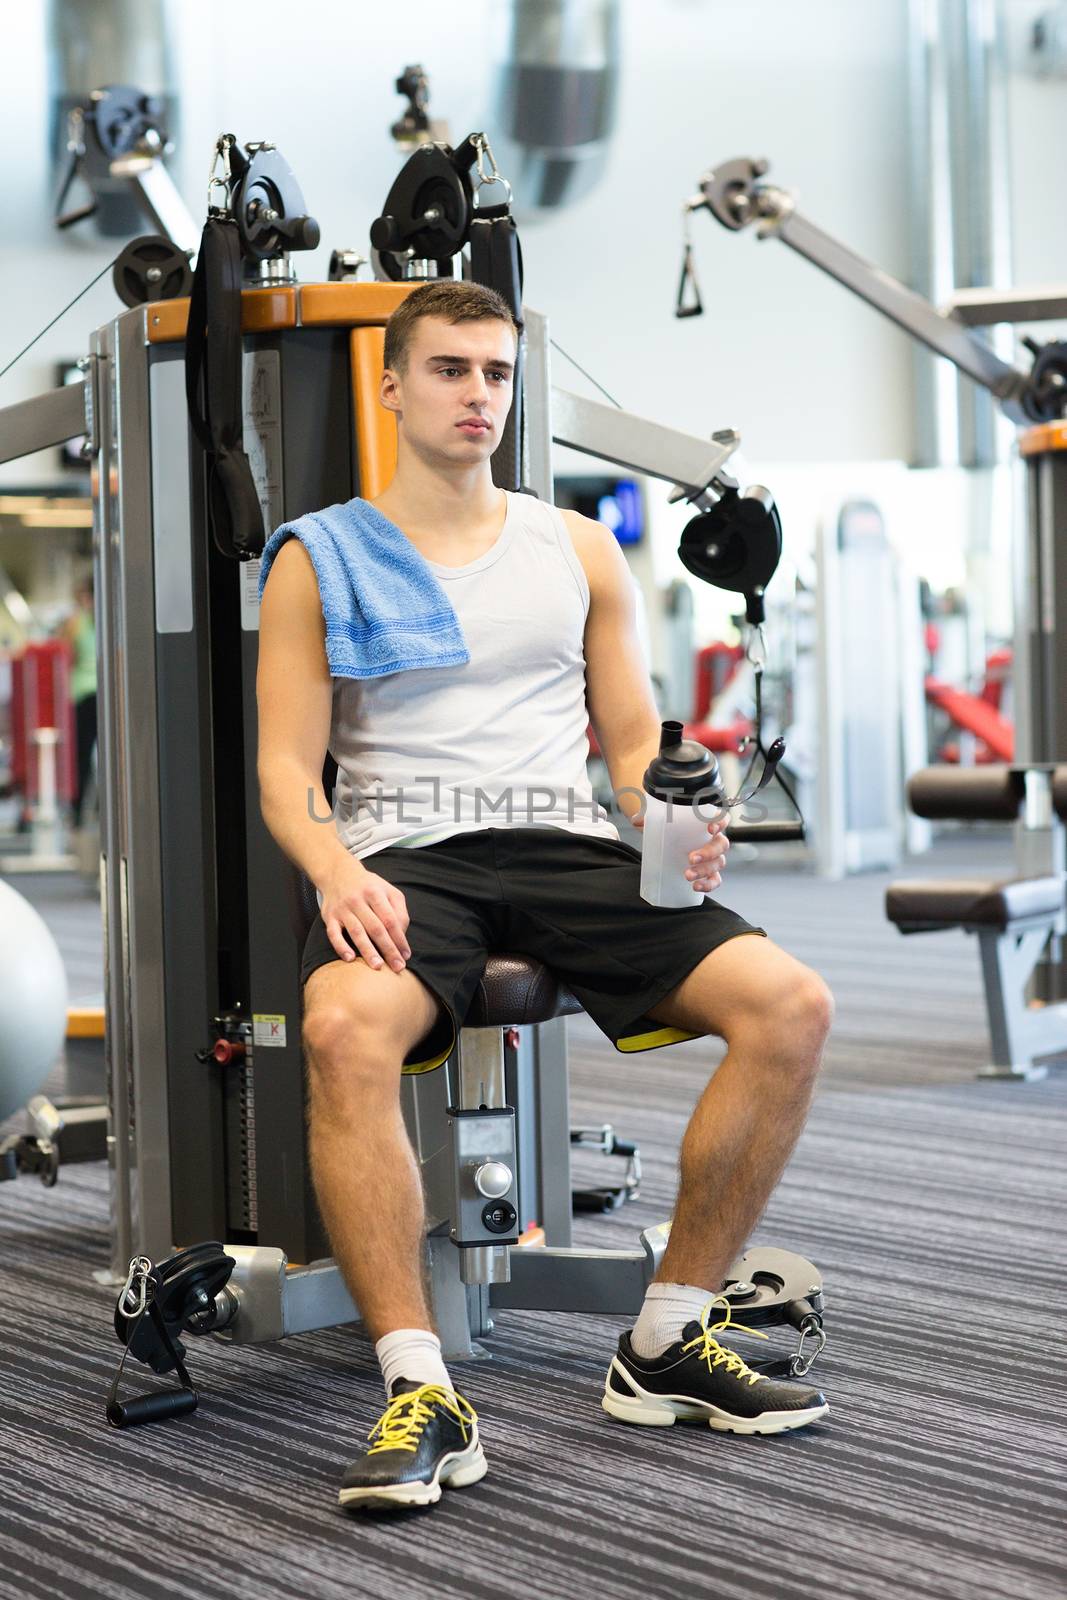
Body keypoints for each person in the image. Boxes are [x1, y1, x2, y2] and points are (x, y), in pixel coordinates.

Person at [256, 281, 834, 1513]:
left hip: (561, 838)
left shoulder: (573, 543)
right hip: (406, 854)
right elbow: (282, 767)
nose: (478, 395)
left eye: (497, 375)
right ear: (393, 385)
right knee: (340, 1026)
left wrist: (672, 817)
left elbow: (628, 740)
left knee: (789, 1005)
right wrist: (333, 869)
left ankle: (666, 1339)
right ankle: (420, 1384)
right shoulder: (321, 555)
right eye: (453, 370)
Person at [63, 575, 97, 828]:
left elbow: (67, 658)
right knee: (87, 756)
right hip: (90, 694)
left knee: (83, 756)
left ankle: (80, 811)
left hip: (86, 694)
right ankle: (82, 810)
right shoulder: (82, 622)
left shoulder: (78, 623)